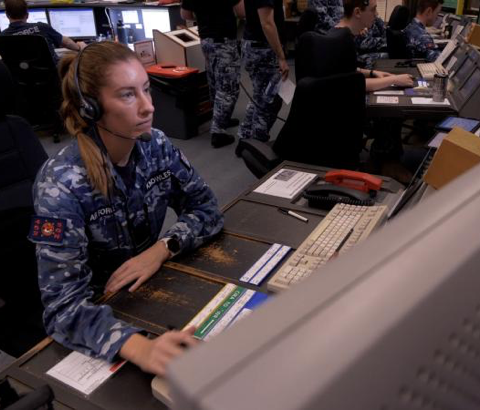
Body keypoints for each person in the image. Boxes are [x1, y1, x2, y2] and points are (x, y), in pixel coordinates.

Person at [29, 41, 224, 376]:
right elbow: (62, 307)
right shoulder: (60, 184)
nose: (148, 106)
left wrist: (164, 247)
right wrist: (141, 348)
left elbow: (207, 209)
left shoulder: (155, 145)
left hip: (148, 288)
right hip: (99, 313)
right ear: (91, 107)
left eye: (146, 89)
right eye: (128, 94)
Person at [180, 0, 245, 149]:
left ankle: (223, 117)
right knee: (228, 87)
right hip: (224, 40)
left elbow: (185, 14)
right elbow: (242, 12)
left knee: (215, 81)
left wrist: (205, 15)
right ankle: (218, 132)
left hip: (206, 39)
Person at [335, 0, 414, 92]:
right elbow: (351, 85)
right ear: (357, 12)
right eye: (373, 9)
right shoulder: (340, 41)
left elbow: (347, 70)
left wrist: (372, 73)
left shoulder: (343, 35)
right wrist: (394, 80)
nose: (376, 14)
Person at [238, 0, 288, 143]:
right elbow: (267, 23)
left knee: (260, 96)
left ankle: (245, 137)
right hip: (263, 49)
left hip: (257, 46)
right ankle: (257, 142)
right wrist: (281, 57)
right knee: (270, 99)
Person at [0, 0, 85, 65]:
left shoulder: (1, 38)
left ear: (6, 15)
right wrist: (79, 47)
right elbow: (66, 42)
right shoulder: (42, 27)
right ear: (27, 15)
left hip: (22, 81)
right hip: (51, 77)